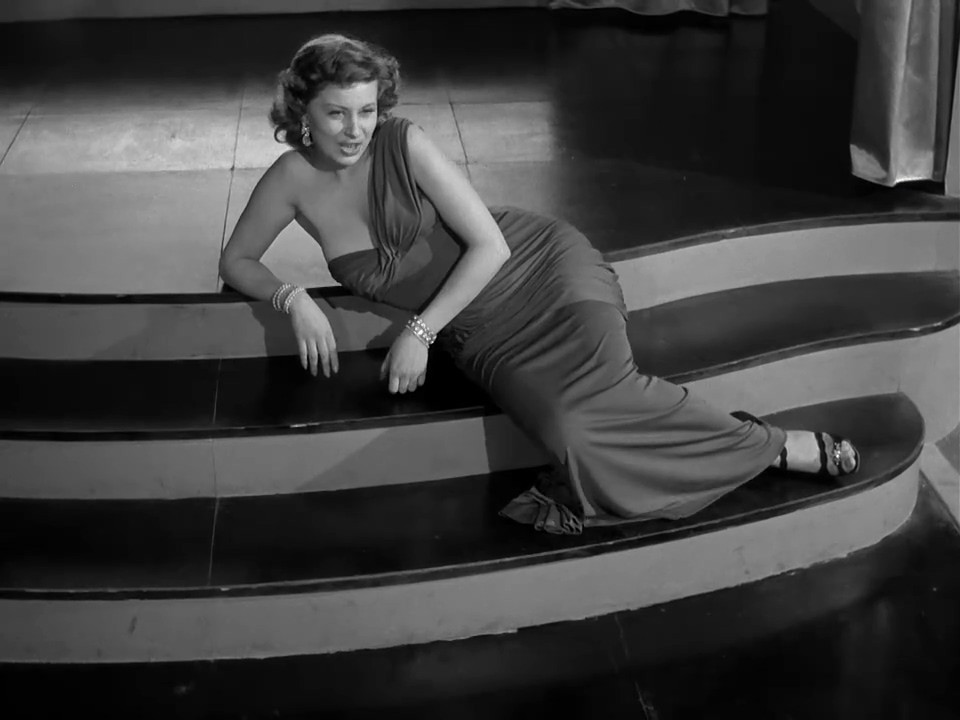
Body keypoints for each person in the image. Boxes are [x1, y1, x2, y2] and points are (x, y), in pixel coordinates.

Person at [219, 34, 860, 535]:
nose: (355, 130)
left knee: (610, 390)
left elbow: (491, 246)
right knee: (569, 432)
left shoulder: (403, 142)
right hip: (480, 331)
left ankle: (776, 448)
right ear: (303, 111)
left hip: (538, 270)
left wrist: (419, 332)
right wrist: (293, 298)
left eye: (366, 110)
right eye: (336, 113)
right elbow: (237, 260)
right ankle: (745, 445)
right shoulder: (290, 179)